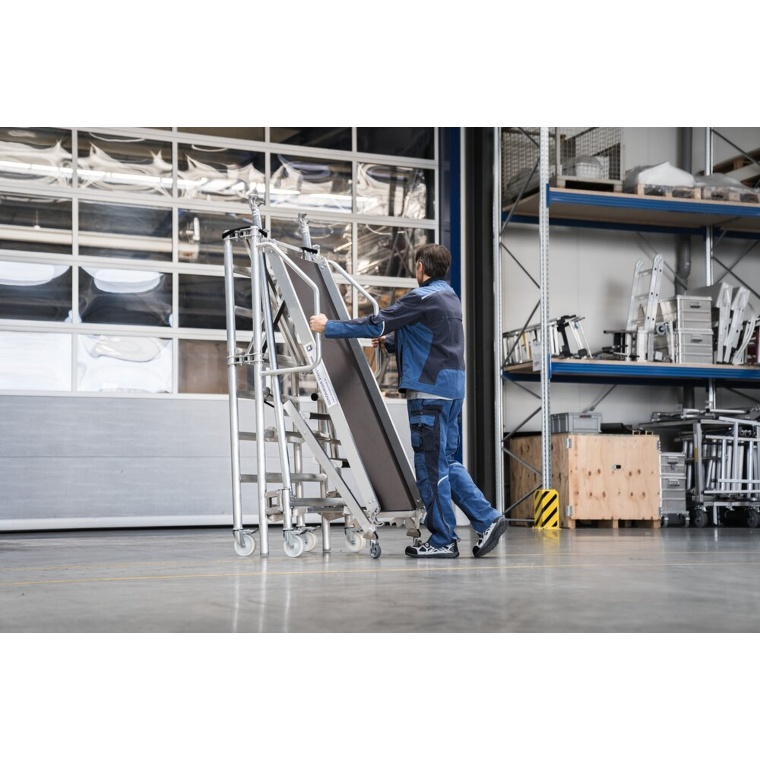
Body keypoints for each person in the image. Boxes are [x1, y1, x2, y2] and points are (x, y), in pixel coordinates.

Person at [309, 243, 507, 559]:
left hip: (428, 394)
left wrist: (327, 326)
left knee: (430, 468)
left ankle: (443, 540)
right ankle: (488, 518)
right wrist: (390, 343)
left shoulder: (421, 297)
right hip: (451, 391)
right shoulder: (448, 297)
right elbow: (428, 336)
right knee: (446, 462)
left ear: (420, 267)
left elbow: (376, 322)